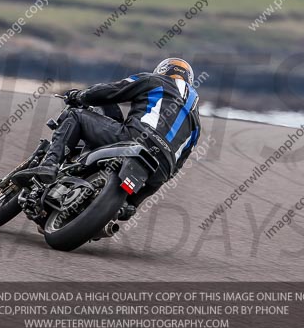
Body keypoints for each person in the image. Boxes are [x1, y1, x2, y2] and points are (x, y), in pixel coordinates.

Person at [12, 58, 202, 213]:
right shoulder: (197, 122)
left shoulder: (155, 80)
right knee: (130, 206)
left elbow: (113, 90)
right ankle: (128, 207)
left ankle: (50, 165)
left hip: (135, 138)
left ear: (162, 70)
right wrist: (138, 200)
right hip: (162, 168)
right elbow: (178, 165)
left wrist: (80, 96)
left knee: (75, 116)